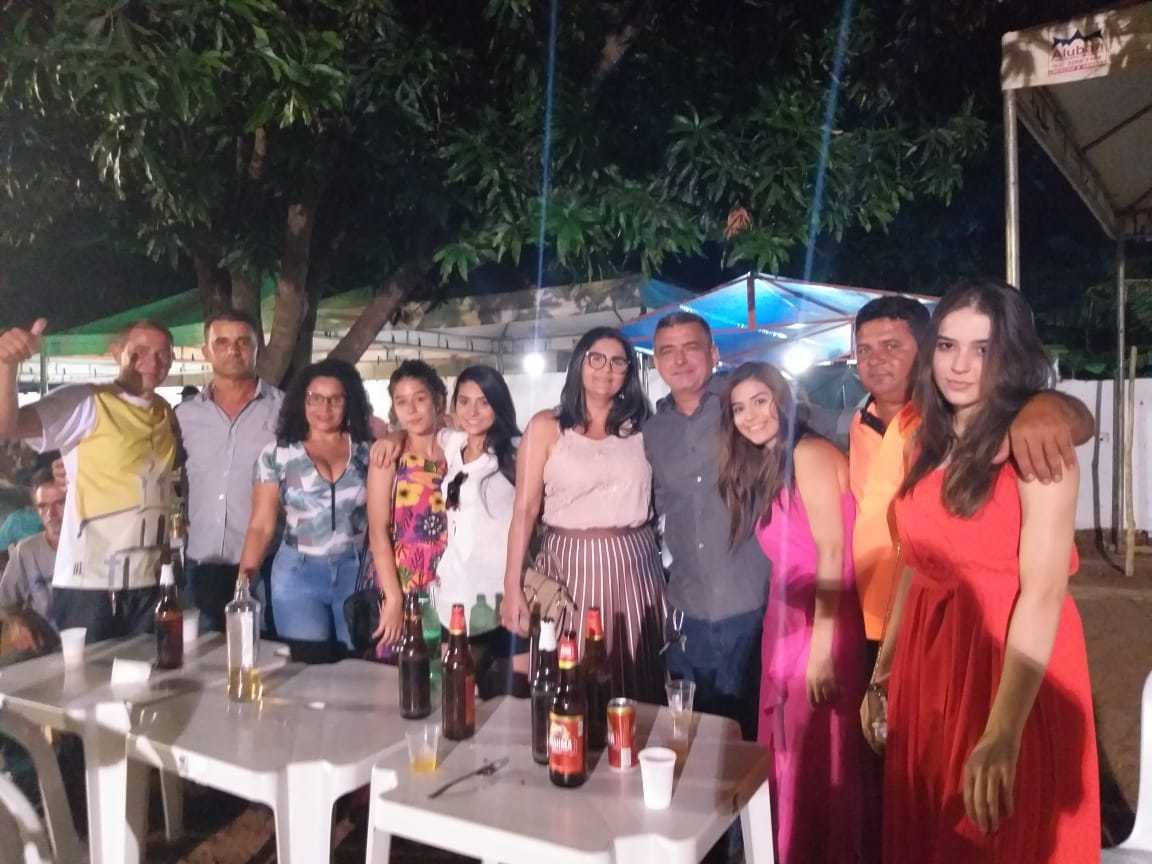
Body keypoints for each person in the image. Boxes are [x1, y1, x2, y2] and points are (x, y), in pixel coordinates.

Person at [862, 280, 1098, 862]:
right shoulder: (925, 439)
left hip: (1006, 663)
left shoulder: (1035, 446)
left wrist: (1003, 732)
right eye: (947, 346)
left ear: (1010, 355)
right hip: (930, 663)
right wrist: (883, 671)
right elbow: (915, 563)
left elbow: (1043, 592)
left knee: (996, 834)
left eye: (982, 349)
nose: (960, 365)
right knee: (930, 827)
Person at [848, 295, 1094, 655]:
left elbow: (1073, 422)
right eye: (864, 350)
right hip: (885, 611)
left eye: (891, 346)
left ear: (923, 350)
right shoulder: (859, 423)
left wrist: (1047, 405)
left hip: (980, 630)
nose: (875, 359)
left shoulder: (960, 422)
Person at [720, 362, 874, 863]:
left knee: (815, 749)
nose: (750, 416)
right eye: (739, 408)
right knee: (790, 749)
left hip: (817, 621)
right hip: (786, 619)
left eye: (760, 401)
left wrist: (822, 651)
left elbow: (833, 552)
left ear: (782, 399)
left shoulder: (808, 453)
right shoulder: (772, 460)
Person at [502, 326, 666, 701]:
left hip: (635, 566)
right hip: (569, 567)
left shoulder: (644, 426)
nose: (606, 369)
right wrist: (512, 586)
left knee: (635, 673)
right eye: (597, 358)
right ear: (579, 363)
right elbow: (524, 510)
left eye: (618, 362)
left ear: (628, 372)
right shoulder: (545, 427)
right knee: (571, 675)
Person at [0, 318, 179, 640]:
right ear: (116, 352)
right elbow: (8, 426)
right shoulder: (85, 401)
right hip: (91, 587)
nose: (152, 362)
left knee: (146, 672)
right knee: (89, 673)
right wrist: (6, 366)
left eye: (162, 353)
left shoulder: (164, 412)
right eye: (139, 351)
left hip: (149, 583)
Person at [644, 311, 770, 737]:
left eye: (691, 348)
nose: (679, 360)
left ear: (714, 353)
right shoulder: (654, 430)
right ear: (656, 362)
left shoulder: (745, 405)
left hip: (751, 605)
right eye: (667, 351)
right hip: (687, 610)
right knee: (692, 734)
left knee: (746, 738)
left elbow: (814, 428)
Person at [238, 359, 384, 652]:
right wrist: (244, 580)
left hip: (356, 572)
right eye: (314, 398)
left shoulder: (368, 451)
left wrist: (396, 435)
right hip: (297, 575)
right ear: (301, 401)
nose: (324, 408)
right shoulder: (277, 454)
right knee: (306, 664)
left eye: (335, 399)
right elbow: (261, 526)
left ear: (349, 402)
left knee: (357, 663)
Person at [175, 311, 283, 631]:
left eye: (243, 342)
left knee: (266, 654)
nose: (233, 350)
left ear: (257, 348)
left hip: (266, 564)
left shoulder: (285, 410)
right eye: (221, 342)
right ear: (206, 351)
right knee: (202, 656)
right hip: (201, 564)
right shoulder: (183, 416)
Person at [0, 472, 65, 654]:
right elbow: (4, 602)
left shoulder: (88, 546)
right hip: (45, 649)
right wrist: (16, 622)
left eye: (60, 503)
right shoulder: (26, 551)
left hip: (91, 644)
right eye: (43, 506)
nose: (51, 514)